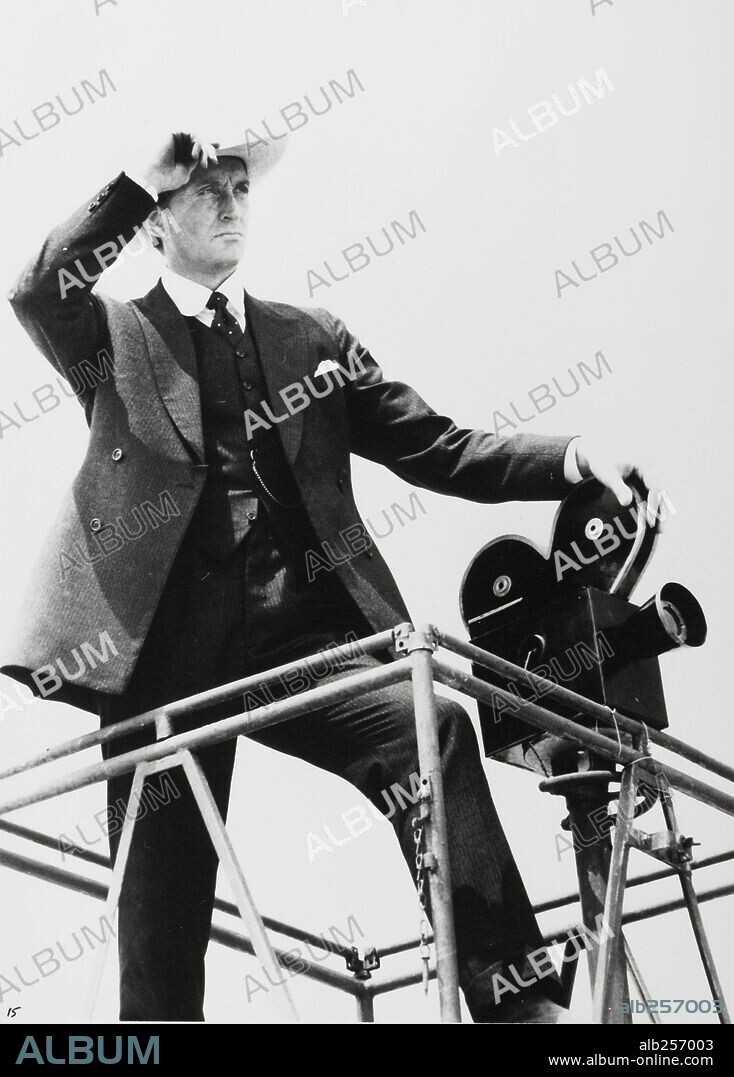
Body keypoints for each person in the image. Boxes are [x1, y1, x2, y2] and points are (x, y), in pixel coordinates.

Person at [4, 132, 659, 1023]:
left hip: (303, 636)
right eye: (203, 189)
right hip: (166, 653)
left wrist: (574, 456)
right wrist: (136, 181)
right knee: (160, 904)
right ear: (154, 224)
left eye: (241, 187)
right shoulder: (114, 335)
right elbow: (38, 290)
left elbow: (438, 446)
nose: (230, 202)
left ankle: (517, 1004)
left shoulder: (310, 337)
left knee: (432, 725)